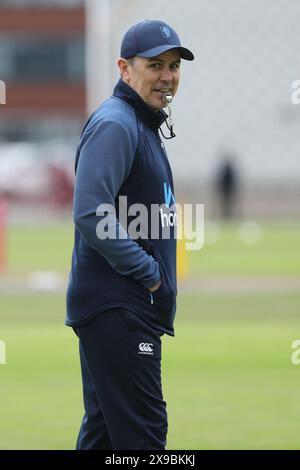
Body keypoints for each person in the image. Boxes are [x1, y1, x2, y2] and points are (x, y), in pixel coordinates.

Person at [65, 19, 194, 450]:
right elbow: (90, 211)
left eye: (174, 66)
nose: (168, 76)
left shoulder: (141, 121)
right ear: (124, 68)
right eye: (155, 65)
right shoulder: (118, 123)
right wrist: (150, 274)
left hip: (120, 307)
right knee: (144, 440)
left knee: (104, 438)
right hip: (121, 307)